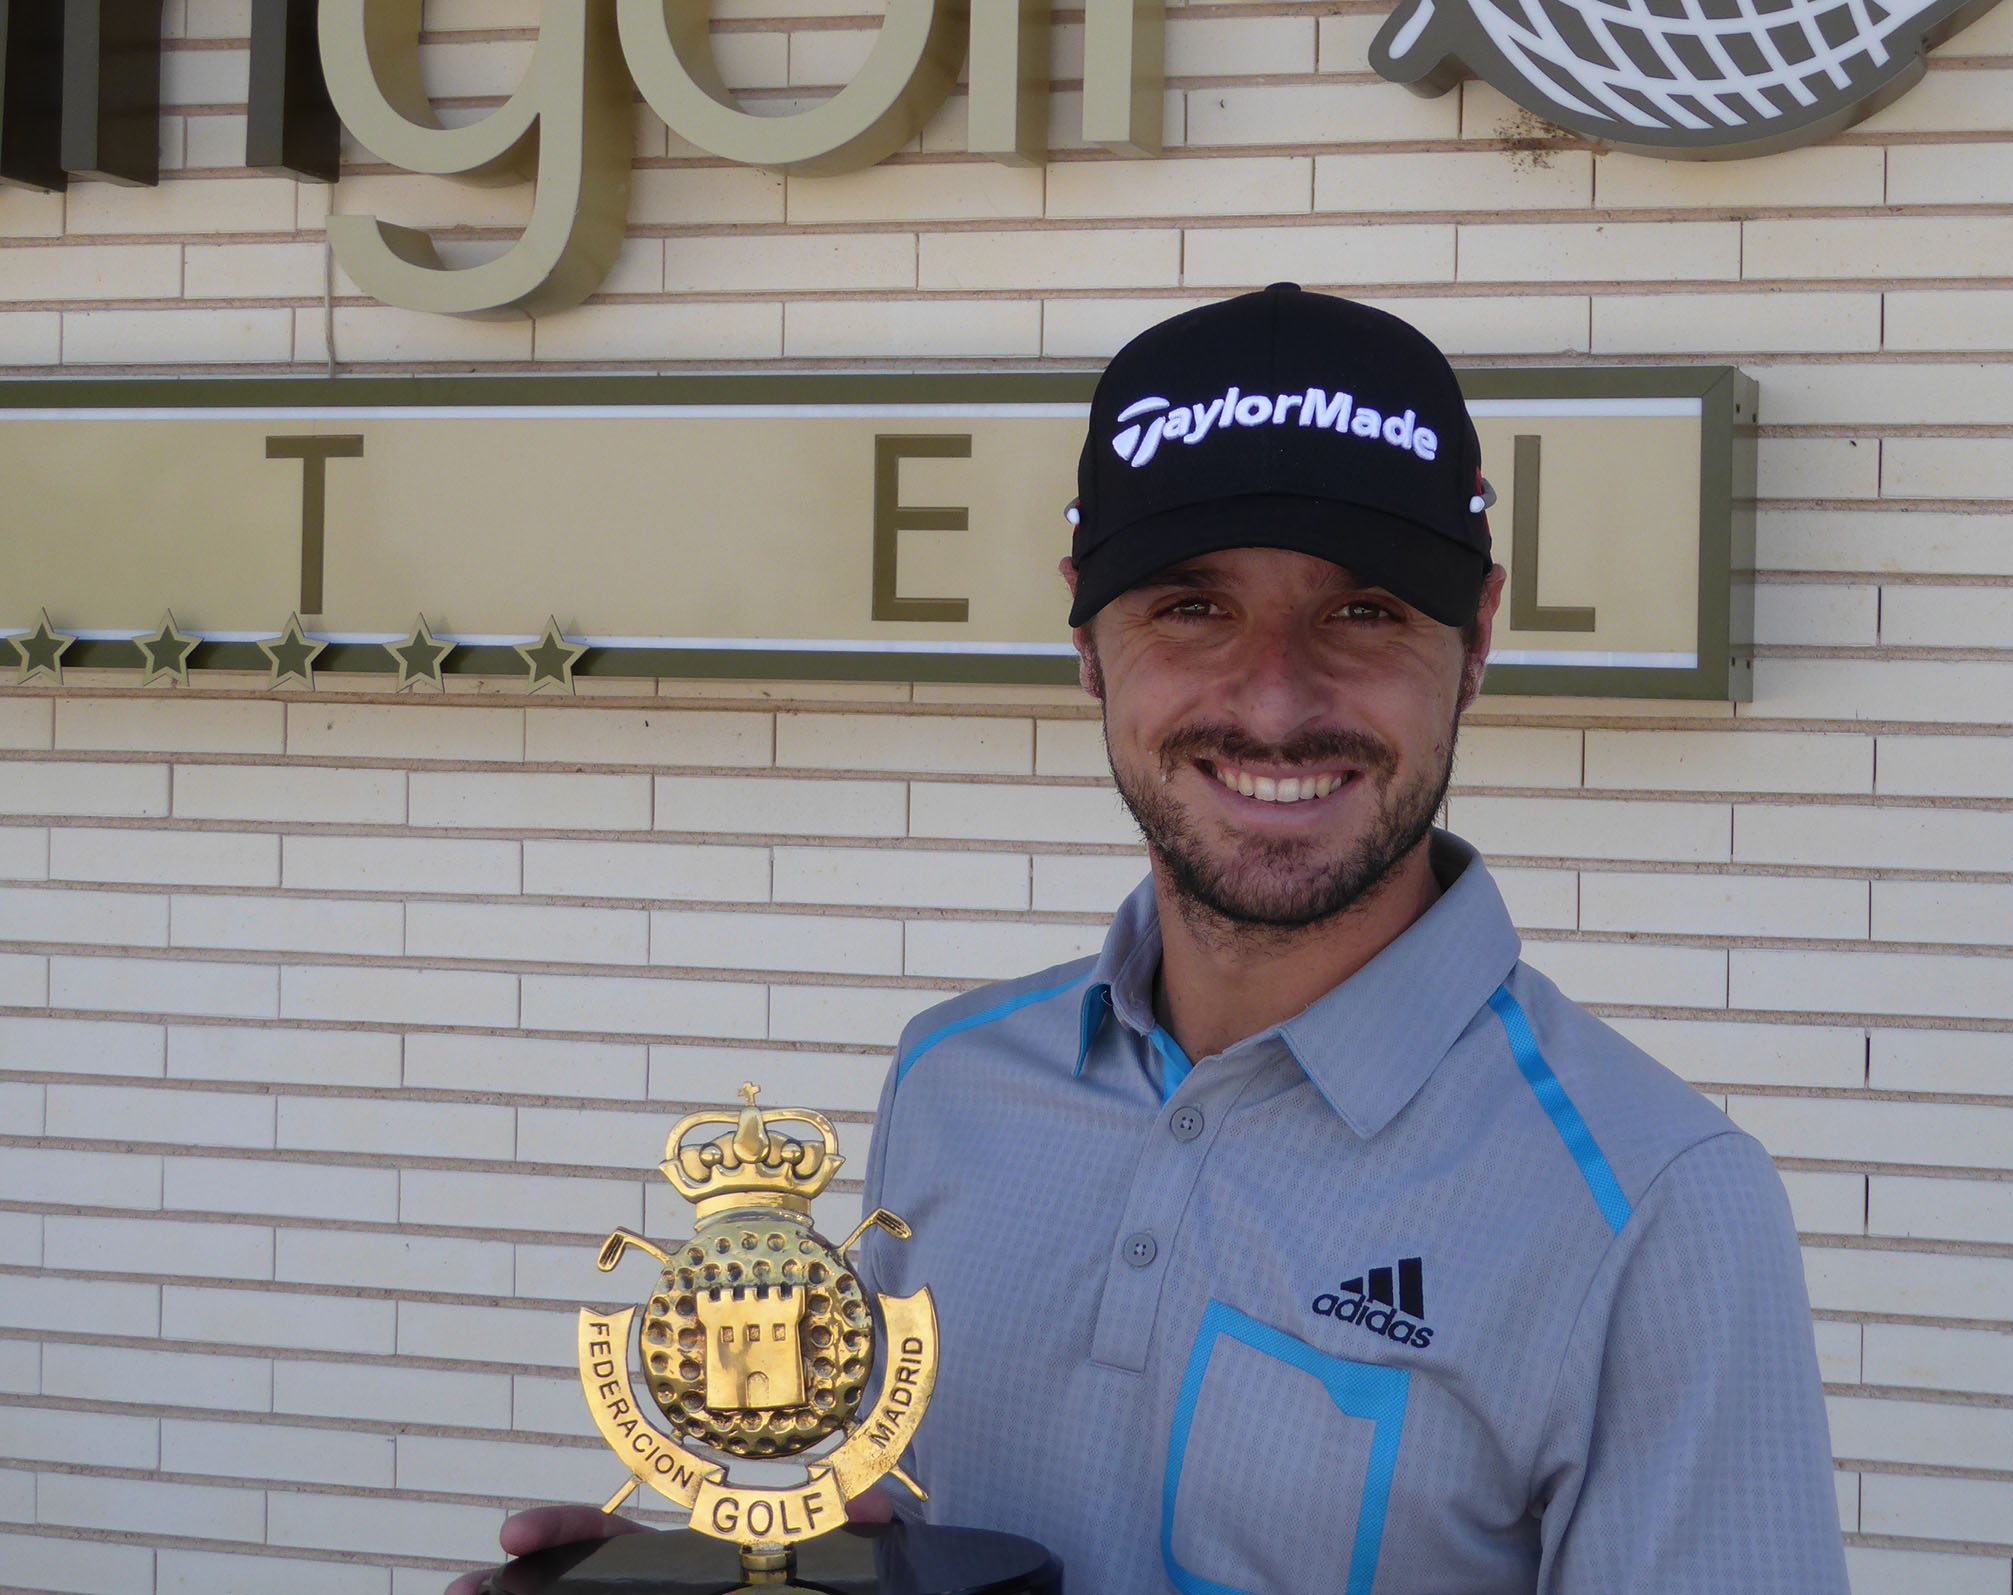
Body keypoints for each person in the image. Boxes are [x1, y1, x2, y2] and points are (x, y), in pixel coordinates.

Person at [452, 285, 1849, 1594]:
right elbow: (899, 1536)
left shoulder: (1653, 1206)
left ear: (1477, 636)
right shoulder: (954, 1078)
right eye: (1191, 607)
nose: (1275, 700)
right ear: (1086, 635)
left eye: (1364, 610)